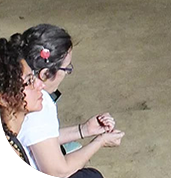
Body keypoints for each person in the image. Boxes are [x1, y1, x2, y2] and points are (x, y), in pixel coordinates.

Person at [17, 24, 124, 178]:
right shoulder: (40, 104)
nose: (67, 73)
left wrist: (84, 130)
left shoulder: (14, 87)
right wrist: (100, 142)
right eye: (66, 69)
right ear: (45, 74)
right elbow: (58, 171)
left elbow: (39, 139)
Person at [0, 37, 45, 178]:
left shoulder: (10, 136)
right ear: (4, 99)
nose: (41, 85)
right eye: (30, 81)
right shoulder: (10, 172)